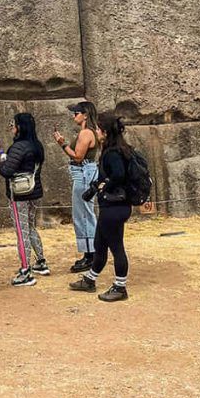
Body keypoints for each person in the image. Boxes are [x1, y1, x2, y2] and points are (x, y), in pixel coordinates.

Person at [69, 113, 132, 302]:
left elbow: (118, 176)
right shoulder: (118, 149)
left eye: (98, 129)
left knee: (116, 247)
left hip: (114, 206)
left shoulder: (113, 152)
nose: (95, 132)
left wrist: (104, 186)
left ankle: (120, 286)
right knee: (100, 244)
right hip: (114, 206)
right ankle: (90, 278)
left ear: (104, 132)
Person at [0, 112, 48, 286]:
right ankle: (41, 262)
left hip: (19, 194)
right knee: (31, 227)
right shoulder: (37, 146)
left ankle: (25, 271)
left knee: (22, 231)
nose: (12, 127)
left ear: (20, 127)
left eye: (14, 124)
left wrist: (2, 160)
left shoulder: (18, 147)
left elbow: (6, 170)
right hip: (34, 192)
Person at [53, 101, 102, 273]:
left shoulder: (86, 133)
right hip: (87, 172)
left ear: (85, 115)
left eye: (76, 113)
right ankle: (92, 252)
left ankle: (91, 255)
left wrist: (62, 143)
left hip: (83, 173)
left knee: (82, 214)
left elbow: (78, 156)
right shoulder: (93, 131)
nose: (74, 116)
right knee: (85, 213)